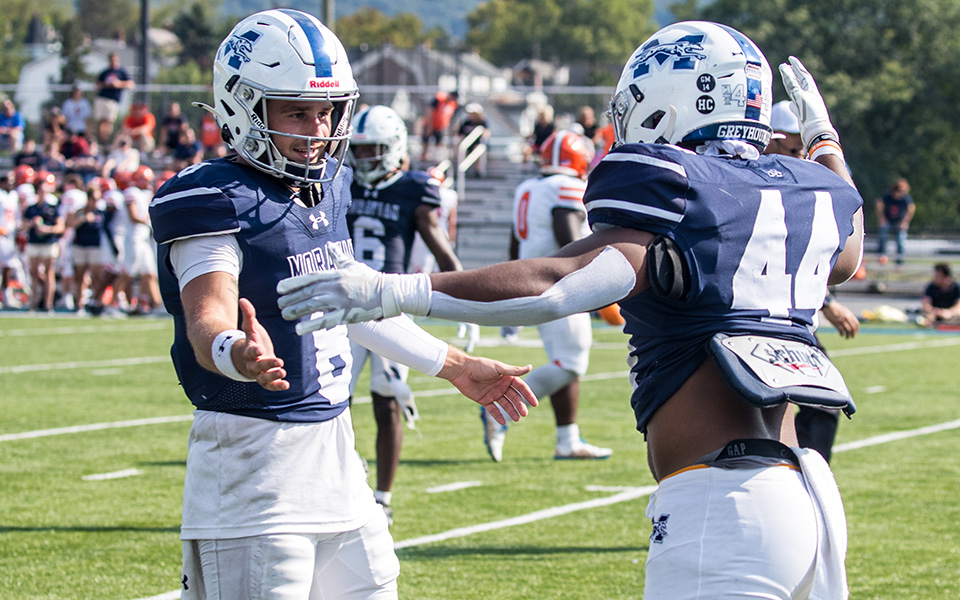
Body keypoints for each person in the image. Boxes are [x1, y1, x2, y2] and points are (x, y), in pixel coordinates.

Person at [278, 22, 865, 599]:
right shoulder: (808, 188)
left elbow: (556, 285)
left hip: (724, 504)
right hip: (807, 497)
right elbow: (850, 251)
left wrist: (390, 291)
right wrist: (825, 141)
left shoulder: (680, 189)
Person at [147, 10, 535, 599]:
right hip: (255, 463)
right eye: (296, 111)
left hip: (336, 453)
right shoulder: (212, 198)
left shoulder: (324, 184)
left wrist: (457, 367)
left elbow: (351, 304)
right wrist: (236, 352)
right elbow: (208, 315)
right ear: (244, 108)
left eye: (325, 111)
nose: (316, 128)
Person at [345, 104, 469, 524]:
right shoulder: (340, 184)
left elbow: (439, 247)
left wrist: (469, 300)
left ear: (394, 148)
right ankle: (347, 466)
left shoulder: (413, 189)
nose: (363, 159)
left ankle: (382, 495)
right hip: (342, 306)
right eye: (358, 150)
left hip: (388, 307)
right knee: (330, 395)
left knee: (387, 400)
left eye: (372, 150)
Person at [482, 129, 612, 462]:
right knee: (570, 363)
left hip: (531, 280)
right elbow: (570, 241)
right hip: (558, 283)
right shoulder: (565, 188)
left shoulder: (528, 188)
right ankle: (500, 408)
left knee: (565, 358)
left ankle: (567, 440)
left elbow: (515, 242)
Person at [766, 99, 859, 463]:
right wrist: (831, 304)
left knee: (822, 401)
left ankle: (802, 477)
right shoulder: (757, 177)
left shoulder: (793, 176)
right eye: (794, 146)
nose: (801, 154)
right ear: (771, 139)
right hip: (751, 313)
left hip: (787, 310)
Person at [23, 171, 64, 312]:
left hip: (49, 242)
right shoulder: (32, 208)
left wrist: (47, 229)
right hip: (34, 242)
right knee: (34, 273)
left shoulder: (53, 206)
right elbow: (23, 225)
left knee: (49, 273)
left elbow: (60, 226)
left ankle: (48, 304)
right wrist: (32, 224)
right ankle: (33, 302)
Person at [94, 52, 134, 144]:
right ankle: (101, 140)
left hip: (113, 100)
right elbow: (97, 84)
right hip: (102, 98)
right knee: (101, 122)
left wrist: (118, 84)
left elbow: (130, 84)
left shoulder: (121, 72)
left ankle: (107, 139)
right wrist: (107, 84)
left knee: (109, 121)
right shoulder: (105, 72)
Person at [875, 177, 914, 265]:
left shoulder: (905, 198)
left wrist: (905, 221)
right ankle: (881, 258)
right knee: (882, 236)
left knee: (900, 241)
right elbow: (879, 203)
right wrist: (882, 218)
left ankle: (899, 262)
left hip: (899, 222)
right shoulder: (888, 196)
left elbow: (911, 208)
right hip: (888, 220)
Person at [419, 90, 459, 163]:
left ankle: (437, 159)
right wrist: (429, 126)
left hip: (440, 126)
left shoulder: (452, 104)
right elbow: (430, 111)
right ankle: (423, 157)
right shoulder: (439, 99)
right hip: (430, 124)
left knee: (439, 142)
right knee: (426, 140)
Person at [457, 103, 490, 177]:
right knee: (462, 149)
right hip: (467, 144)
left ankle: (478, 170)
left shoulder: (482, 122)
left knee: (478, 149)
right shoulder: (466, 122)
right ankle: (463, 169)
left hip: (478, 143)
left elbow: (487, 132)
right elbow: (460, 134)